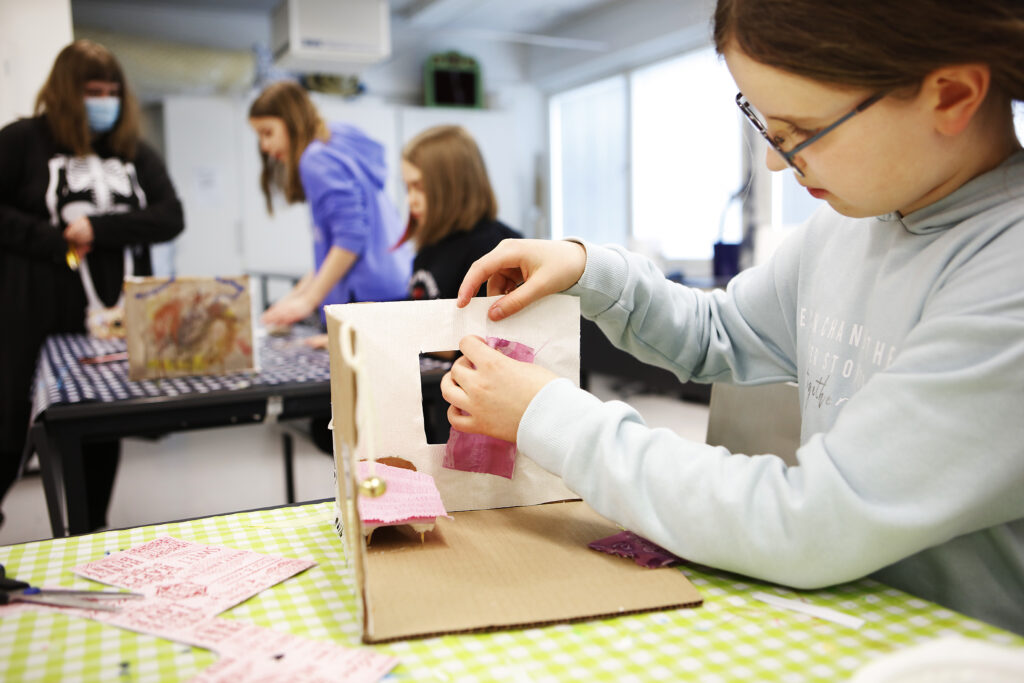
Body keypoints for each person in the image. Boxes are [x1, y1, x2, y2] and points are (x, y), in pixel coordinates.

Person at [440, 0, 1024, 635]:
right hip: (843, 622)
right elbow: (718, 335)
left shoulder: (1006, 272)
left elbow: (811, 521)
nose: (775, 162)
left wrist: (550, 417)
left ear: (953, 95)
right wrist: (589, 271)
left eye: (800, 131)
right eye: (764, 124)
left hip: (963, 648)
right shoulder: (848, 227)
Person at [0, 39, 185, 530]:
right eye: (92, 91)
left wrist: (98, 229)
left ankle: (90, 527)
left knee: (100, 429)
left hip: (109, 322)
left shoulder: (133, 153)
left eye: (111, 91)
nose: (103, 101)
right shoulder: (21, 141)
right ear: (65, 91)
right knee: (8, 428)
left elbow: (170, 216)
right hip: (30, 315)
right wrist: (49, 238)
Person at [248, 81, 411, 347]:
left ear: (292, 122)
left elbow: (350, 239)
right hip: (389, 287)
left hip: (364, 297)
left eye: (268, 132)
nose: (265, 146)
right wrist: (295, 297)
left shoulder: (315, 158)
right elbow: (333, 249)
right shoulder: (336, 142)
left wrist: (308, 301)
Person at [398, 125, 521, 301]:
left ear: (454, 187)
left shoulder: (491, 248)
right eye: (407, 188)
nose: (410, 200)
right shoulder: (432, 246)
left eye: (420, 188)